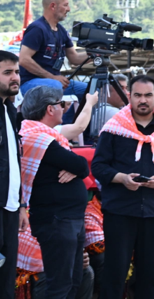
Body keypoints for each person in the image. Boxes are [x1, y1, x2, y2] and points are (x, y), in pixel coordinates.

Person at [91, 74, 154, 299]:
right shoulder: (114, 127)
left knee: (150, 275)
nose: (143, 100)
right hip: (120, 210)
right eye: (137, 95)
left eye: (148, 95)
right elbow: (98, 166)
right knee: (115, 273)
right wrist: (122, 178)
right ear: (129, 96)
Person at [19, 86, 90, 299]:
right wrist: (76, 168)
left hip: (68, 219)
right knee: (60, 286)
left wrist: (75, 168)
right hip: (57, 221)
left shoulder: (49, 137)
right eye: (61, 104)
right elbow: (81, 165)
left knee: (74, 281)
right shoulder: (37, 138)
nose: (64, 108)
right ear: (50, 109)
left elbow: (79, 167)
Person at [17, 0, 89, 124]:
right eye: (65, 5)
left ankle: (71, 128)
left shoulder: (61, 30)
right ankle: (57, 127)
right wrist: (52, 77)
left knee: (89, 90)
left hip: (55, 83)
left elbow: (74, 58)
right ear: (53, 6)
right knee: (55, 85)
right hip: (30, 83)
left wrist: (94, 53)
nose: (69, 9)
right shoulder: (37, 28)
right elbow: (24, 59)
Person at [0, 51, 26, 299]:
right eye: (7, 72)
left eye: (17, 72)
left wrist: (21, 205)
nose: (15, 77)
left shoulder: (9, 109)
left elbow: (13, 161)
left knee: (7, 278)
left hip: (9, 208)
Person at [16, 221, 95, 299]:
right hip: (38, 273)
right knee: (53, 276)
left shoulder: (69, 221)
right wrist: (69, 261)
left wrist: (79, 259)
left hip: (61, 265)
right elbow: (32, 259)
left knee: (86, 272)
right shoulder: (29, 220)